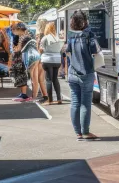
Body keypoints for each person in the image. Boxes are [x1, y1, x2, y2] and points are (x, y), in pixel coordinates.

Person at [66, 11, 99, 141]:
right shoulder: (89, 34)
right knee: (85, 104)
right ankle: (85, 132)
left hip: (72, 72)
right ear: (84, 21)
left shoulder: (70, 35)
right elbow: (95, 50)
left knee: (75, 103)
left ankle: (78, 133)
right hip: (86, 72)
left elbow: (67, 51)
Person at [12, 22, 48, 103]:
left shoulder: (22, 37)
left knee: (33, 79)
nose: (14, 32)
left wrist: (15, 48)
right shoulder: (30, 35)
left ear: (19, 29)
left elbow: (18, 49)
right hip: (37, 56)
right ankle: (34, 97)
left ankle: (33, 98)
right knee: (36, 79)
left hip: (31, 58)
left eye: (15, 30)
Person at [40, 22, 64, 105]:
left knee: (48, 80)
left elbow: (41, 49)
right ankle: (59, 99)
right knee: (55, 79)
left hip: (47, 60)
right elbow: (61, 49)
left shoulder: (45, 38)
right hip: (57, 60)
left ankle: (50, 100)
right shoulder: (58, 38)